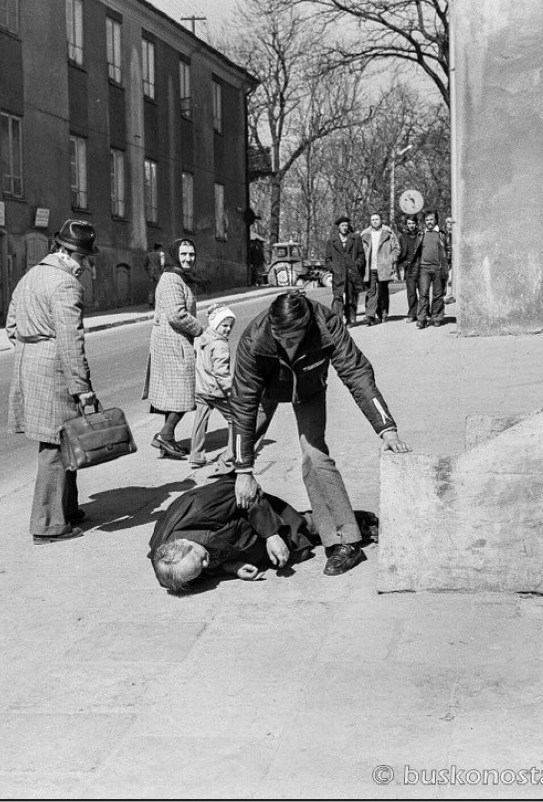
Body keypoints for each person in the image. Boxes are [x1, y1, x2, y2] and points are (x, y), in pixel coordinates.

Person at [230, 291, 411, 576]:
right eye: (279, 338)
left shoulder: (326, 323)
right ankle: (241, 532)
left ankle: (345, 540)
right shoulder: (254, 339)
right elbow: (242, 403)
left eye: (293, 339)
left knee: (314, 458)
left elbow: (357, 374)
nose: (285, 345)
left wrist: (387, 429)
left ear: (307, 327)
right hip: (265, 391)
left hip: (309, 390)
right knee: (236, 461)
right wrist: (243, 468)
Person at [6, 219, 99, 544]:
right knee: (56, 446)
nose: (84, 266)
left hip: (29, 365)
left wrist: (31, 349)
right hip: (54, 370)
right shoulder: (65, 285)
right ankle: (47, 524)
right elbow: (71, 342)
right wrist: (83, 390)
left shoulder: (30, 276)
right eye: (83, 259)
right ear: (65, 252)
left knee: (65, 440)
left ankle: (68, 510)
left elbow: (11, 327)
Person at [149, 474, 318, 591]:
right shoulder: (170, 571)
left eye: (200, 560)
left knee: (304, 531)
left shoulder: (202, 507)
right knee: (297, 551)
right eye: (200, 568)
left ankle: (336, 526)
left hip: (262, 519)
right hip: (248, 546)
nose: (206, 565)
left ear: (184, 542)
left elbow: (246, 491)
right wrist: (232, 567)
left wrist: (271, 535)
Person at [142, 238, 204, 458]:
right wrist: (200, 329)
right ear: (174, 255)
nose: (188, 258)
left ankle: (168, 440)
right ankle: (164, 436)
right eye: (184, 254)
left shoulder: (178, 277)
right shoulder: (171, 279)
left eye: (191, 254)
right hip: (172, 342)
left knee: (172, 394)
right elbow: (177, 315)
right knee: (183, 392)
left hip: (173, 341)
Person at [189, 304, 237, 469]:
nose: (228, 329)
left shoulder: (202, 338)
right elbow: (221, 373)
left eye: (230, 326)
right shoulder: (220, 345)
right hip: (216, 391)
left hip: (201, 388)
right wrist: (232, 391)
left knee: (200, 421)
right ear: (216, 324)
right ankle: (231, 453)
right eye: (224, 325)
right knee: (234, 418)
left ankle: (196, 456)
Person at [324, 215, 365, 327]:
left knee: (351, 297)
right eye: (342, 225)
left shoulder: (355, 238)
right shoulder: (332, 241)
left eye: (346, 225)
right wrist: (333, 268)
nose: (345, 228)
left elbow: (361, 255)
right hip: (338, 273)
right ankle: (337, 320)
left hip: (352, 272)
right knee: (338, 296)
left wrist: (356, 265)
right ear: (339, 227)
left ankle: (350, 319)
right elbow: (327, 259)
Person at [359, 212, 400, 325]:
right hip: (370, 266)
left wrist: (391, 259)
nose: (375, 221)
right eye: (372, 220)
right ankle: (370, 316)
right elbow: (360, 250)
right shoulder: (365, 235)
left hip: (383, 266)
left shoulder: (388, 233)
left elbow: (396, 248)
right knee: (371, 291)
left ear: (381, 220)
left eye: (377, 219)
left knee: (383, 290)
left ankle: (383, 312)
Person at [416, 210, 451, 329]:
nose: (429, 222)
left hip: (438, 268)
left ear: (435, 220)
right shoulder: (421, 234)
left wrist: (447, 266)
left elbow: (447, 250)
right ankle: (421, 318)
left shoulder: (441, 234)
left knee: (438, 294)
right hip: (424, 268)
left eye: (431, 219)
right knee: (423, 294)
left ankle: (436, 316)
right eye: (427, 220)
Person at [397, 215, 424, 321]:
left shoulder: (421, 235)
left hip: (421, 266)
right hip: (409, 267)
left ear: (416, 224)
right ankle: (412, 313)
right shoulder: (402, 237)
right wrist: (399, 264)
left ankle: (423, 313)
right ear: (406, 225)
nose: (411, 226)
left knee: (423, 291)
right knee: (411, 292)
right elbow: (400, 252)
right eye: (409, 223)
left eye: (413, 223)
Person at [143, 242, 165, 308]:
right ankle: (160, 303)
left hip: (150, 273)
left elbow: (145, 265)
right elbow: (162, 264)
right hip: (159, 273)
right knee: (161, 288)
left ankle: (151, 303)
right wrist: (163, 271)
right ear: (159, 248)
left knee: (151, 289)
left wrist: (148, 272)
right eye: (161, 248)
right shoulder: (161, 254)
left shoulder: (148, 255)